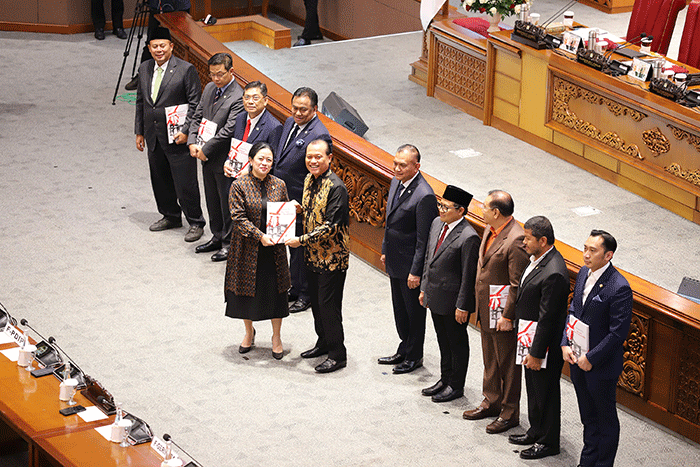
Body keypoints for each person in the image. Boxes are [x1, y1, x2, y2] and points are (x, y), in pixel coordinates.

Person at [561, 230, 633, 467]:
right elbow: (573, 311)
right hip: (577, 358)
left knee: (605, 420)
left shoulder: (619, 286)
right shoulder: (583, 272)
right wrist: (565, 343)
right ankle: (587, 461)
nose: (586, 255)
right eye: (585, 248)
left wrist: (591, 357)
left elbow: (618, 333)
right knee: (588, 417)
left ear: (608, 255)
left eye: (593, 250)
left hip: (600, 366)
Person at [463, 190, 529, 434]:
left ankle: (510, 413)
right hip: (487, 305)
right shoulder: (490, 229)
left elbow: (516, 283)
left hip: (503, 312)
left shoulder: (516, 239)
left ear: (496, 212)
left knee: (508, 364)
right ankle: (491, 402)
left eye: (485, 206)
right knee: (491, 357)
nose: (480, 208)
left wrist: (508, 316)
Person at [135, 27, 205, 242]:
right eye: (154, 46)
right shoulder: (145, 68)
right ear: (149, 48)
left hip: (178, 137)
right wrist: (139, 132)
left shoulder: (186, 69)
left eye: (162, 46)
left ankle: (195, 221)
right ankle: (170, 215)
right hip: (153, 135)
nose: (158, 50)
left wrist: (187, 132)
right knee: (160, 179)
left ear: (171, 46)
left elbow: (196, 104)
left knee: (185, 182)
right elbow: (141, 102)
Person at [286, 137, 349, 373]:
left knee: (329, 306)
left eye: (318, 157)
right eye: (309, 157)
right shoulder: (308, 180)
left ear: (330, 158)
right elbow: (315, 211)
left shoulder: (337, 187)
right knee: (317, 306)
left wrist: (300, 240)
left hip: (332, 259)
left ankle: (337, 354)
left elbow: (330, 226)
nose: (312, 161)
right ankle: (323, 343)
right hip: (312, 256)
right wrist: (300, 209)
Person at [509, 216, 569, 460]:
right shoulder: (537, 260)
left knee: (546, 393)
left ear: (543, 241)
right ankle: (535, 431)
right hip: (528, 337)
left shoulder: (554, 272)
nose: (524, 242)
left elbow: (548, 319)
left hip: (542, 345)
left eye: (528, 238)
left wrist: (535, 353)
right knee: (533, 388)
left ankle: (548, 441)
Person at [225, 142, 291, 360]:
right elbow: (238, 218)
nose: (264, 163)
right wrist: (259, 236)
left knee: (276, 294)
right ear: (251, 160)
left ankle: (276, 337)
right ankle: (248, 332)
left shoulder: (279, 184)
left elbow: (283, 212)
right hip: (248, 247)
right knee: (246, 294)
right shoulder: (239, 185)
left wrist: (292, 212)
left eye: (269, 160)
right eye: (260, 159)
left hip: (274, 249)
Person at [378, 144, 438, 374]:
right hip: (395, 259)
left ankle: (414, 356)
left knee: (413, 313)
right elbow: (390, 220)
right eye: (395, 163)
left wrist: (416, 272)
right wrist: (385, 248)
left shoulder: (424, 196)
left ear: (417, 166)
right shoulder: (396, 182)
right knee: (400, 310)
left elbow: (424, 240)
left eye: (403, 165)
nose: (397, 168)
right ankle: (404, 347)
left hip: (410, 266)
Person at [419, 186, 479, 402]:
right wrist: (424, 287)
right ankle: (445, 378)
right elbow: (429, 258)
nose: (441, 210)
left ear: (461, 210)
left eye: (446, 207)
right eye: (440, 204)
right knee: (442, 340)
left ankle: (456, 385)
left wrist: (463, 306)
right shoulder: (437, 223)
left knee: (456, 344)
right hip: (435, 295)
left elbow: (468, 275)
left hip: (454, 302)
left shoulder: (468, 236)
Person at [275, 87, 330, 313]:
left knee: (302, 248)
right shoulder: (289, 122)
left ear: (315, 109)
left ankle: (306, 293)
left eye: (303, 110)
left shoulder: (319, 134)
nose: (297, 113)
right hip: (285, 197)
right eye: (295, 107)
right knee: (290, 245)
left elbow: (318, 173)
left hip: (301, 200)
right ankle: (295, 287)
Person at [187, 52, 244, 262]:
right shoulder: (210, 88)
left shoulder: (238, 96)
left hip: (223, 158)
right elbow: (198, 115)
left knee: (225, 202)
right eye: (212, 75)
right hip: (205, 155)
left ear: (231, 71)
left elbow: (228, 130)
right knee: (211, 200)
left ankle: (228, 243)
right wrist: (192, 141)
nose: (215, 79)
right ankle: (217, 236)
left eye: (220, 74)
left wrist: (205, 149)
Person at [125, 0, 191, 90]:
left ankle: (177, 80)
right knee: (151, 43)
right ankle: (143, 76)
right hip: (157, 5)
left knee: (179, 46)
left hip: (179, 7)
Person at [225, 81, 283, 171]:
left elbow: (273, 162)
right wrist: (228, 161)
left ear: (265, 101)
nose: (250, 102)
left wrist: (250, 172)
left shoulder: (274, 127)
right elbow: (235, 145)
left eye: (255, 98)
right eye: (247, 97)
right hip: (234, 173)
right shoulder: (240, 117)